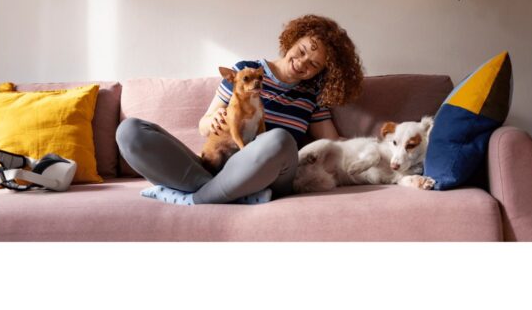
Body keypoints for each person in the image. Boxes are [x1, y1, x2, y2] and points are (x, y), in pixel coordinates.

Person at [116, 14, 364, 204]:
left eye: (314, 64)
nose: (301, 63)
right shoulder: (244, 71)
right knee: (131, 131)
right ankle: (225, 193)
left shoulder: (312, 96)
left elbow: (333, 144)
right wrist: (213, 119)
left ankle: (195, 198)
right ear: (293, 39)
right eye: (301, 51)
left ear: (321, 72)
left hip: (270, 176)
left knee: (278, 139)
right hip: (218, 164)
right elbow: (204, 125)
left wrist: (375, 151)